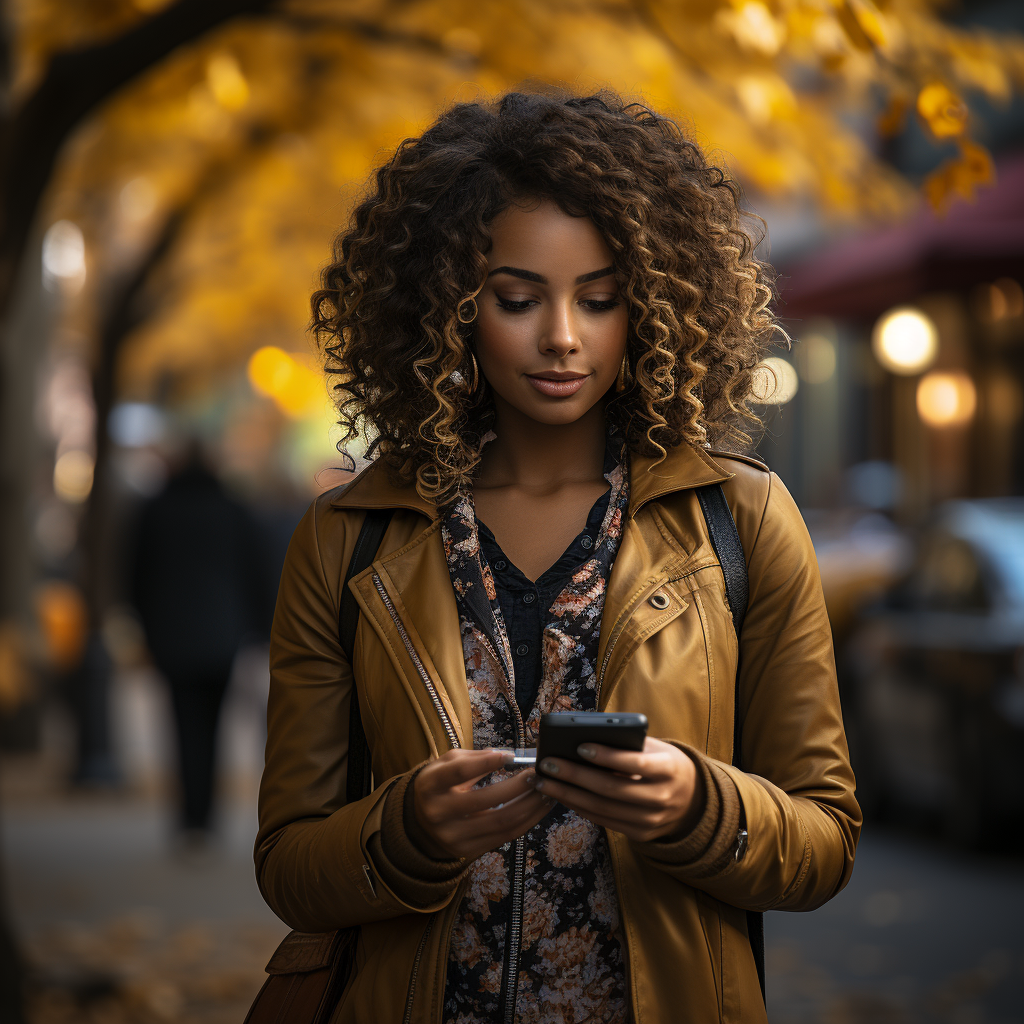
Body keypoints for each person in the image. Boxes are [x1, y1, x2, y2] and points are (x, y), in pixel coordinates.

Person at [255, 91, 859, 1024]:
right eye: (518, 298)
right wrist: (407, 830)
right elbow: (290, 865)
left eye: (601, 298)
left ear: (653, 306)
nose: (563, 337)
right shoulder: (350, 538)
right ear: (449, 307)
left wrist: (699, 803)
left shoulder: (741, 521)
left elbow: (824, 842)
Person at [131, 441, 272, 841]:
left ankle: (189, 817)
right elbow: (257, 571)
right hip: (224, 636)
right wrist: (258, 630)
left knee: (180, 724)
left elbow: (137, 573)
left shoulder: (156, 509)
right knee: (214, 726)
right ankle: (207, 817)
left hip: (171, 636)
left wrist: (144, 625)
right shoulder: (233, 509)